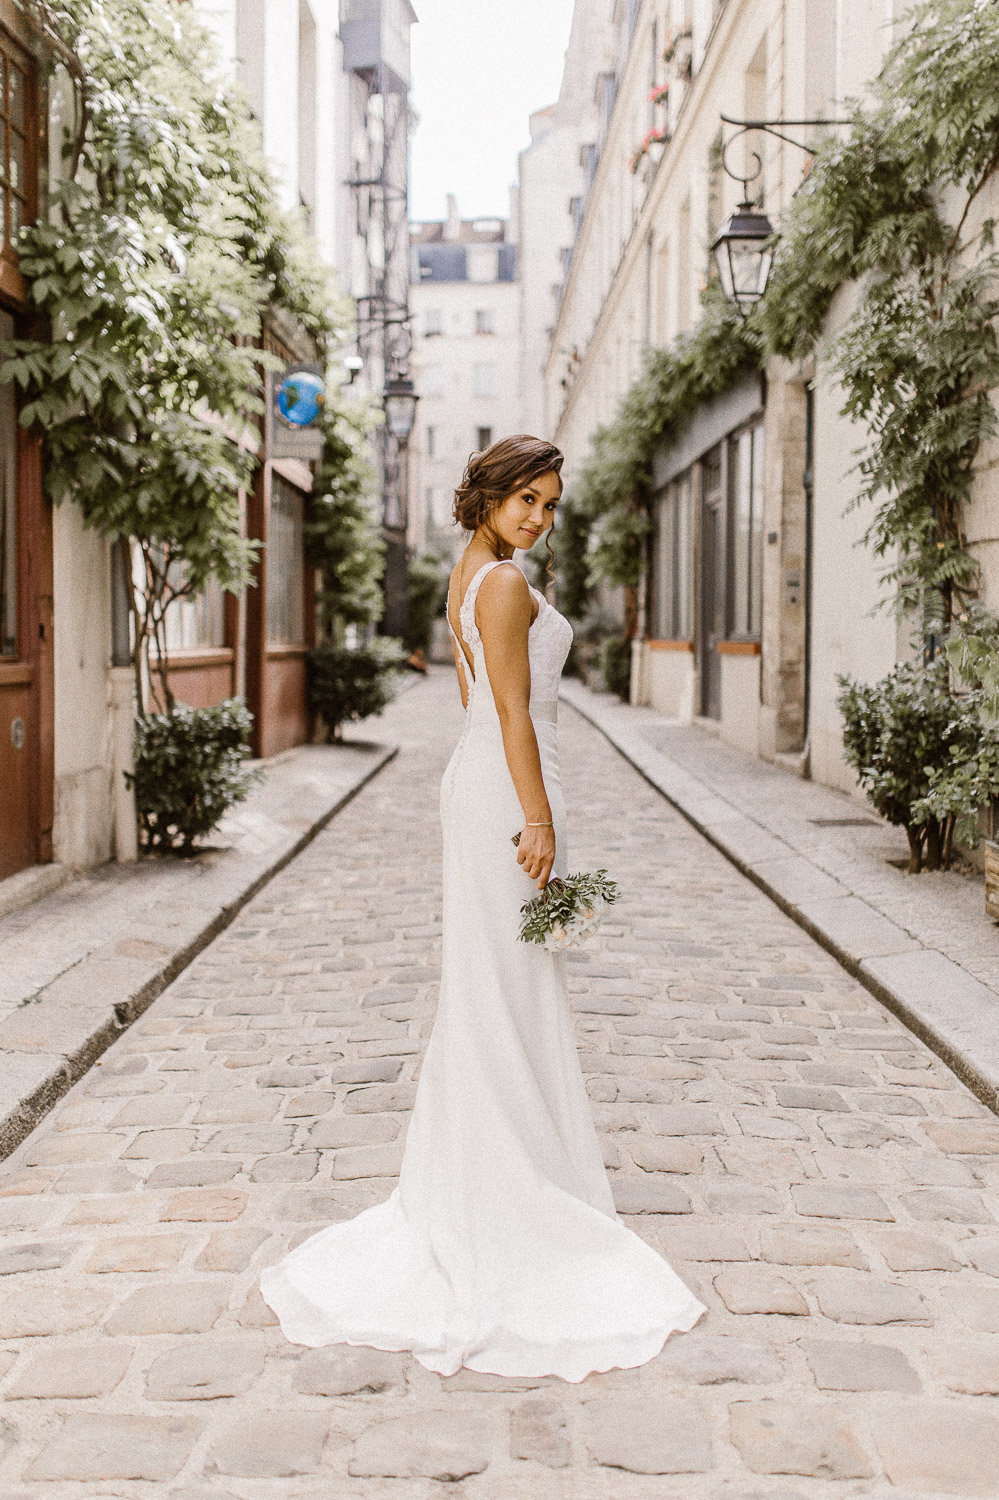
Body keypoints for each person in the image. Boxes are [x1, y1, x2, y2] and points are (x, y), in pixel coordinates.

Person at [260, 434, 705, 1380]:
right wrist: (537, 816)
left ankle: (492, 1175)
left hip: (481, 786)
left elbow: (473, 693)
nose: (540, 517)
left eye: (551, 504)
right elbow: (509, 711)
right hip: (506, 793)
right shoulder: (501, 585)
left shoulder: (473, 572)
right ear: (491, 495)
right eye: (527, 500)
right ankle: (511, 1192)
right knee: (504, 992)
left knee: (492, 990)